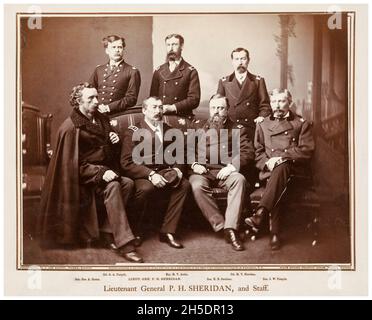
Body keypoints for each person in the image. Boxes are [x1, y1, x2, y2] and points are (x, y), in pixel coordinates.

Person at [38, 83, 143, 263]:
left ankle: (107, 232)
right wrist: (101, 172)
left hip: (105, 172)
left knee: (129, 184)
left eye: (96, 97)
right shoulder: (71, 128)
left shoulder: (100, 118)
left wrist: (114, 139)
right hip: (82, 180)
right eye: (91, 98)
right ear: (79, 102)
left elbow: (107, 146)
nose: (96, 101)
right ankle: (125, 244)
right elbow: (71, 165)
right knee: (114, 185)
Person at [245, 89, 315, 250]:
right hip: (270, 171)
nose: (277, 105)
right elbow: (258, 151)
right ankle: (272, 229)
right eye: (274, 101)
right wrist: (267, 162)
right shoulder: (262, 124)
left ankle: (262, 217)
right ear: (270, 104)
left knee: (280, 169)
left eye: (281, 101)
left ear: (289, 103)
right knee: (276, 178)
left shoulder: (301, 123)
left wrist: (283, 157)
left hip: (295, 172)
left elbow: (306, 150)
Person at [120, 96, 191, 249]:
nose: (158, 111)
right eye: (153, 107)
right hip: (144, 174)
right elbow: (126, 162)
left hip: (166, 172)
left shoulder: (170, 130)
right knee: (146, 188)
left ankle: (168, 231)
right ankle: (135, 230)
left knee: (184, 184)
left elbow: (180, 155)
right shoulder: (134, 131)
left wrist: (178, 170)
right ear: (144, 110)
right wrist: (151, 175)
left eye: (160, 107)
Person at [188, 94, 255, 251]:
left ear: (228, 110)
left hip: (226, 171)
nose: (216, 112)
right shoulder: (197, 126)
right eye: (213, 108)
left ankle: (231, 229)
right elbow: (187, 150)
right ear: (209, 109)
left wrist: (231, 167)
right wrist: (194, 164)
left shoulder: (238, 129)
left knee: (239, 180)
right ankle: (221, 225)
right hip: (202, 171)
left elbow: (247, 152)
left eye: (221, 108)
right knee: (197, 186)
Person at [217, 47, 271, 140]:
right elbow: (219, 106)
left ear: (248, 61)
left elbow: (265, 106)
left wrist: (261, 117)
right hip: (230, 129)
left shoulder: (258, 81)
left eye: (243, 59)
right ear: (232, 61)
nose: (240, 62)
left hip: (251, 128)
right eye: (236, 59)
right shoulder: (224, 82)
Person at [150, 34, 200, 118]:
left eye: (174, 44)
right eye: (168, 45)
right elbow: (152, 98)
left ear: (182, 46)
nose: (171, 48)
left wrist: (172, 107)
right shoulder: (158, 71)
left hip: (181, 117)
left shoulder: (190, 71)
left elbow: (194, 100)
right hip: (161, 117)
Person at [89, 35, 141, 116]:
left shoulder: (132, 71)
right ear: (107, 50)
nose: (117, 50)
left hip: (117, 115)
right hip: (96, 113)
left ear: (123, 49)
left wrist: (108, 107)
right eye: (113, 47)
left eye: (120, 47)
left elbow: (131, 99)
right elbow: (89, 92)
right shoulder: (99, 70)